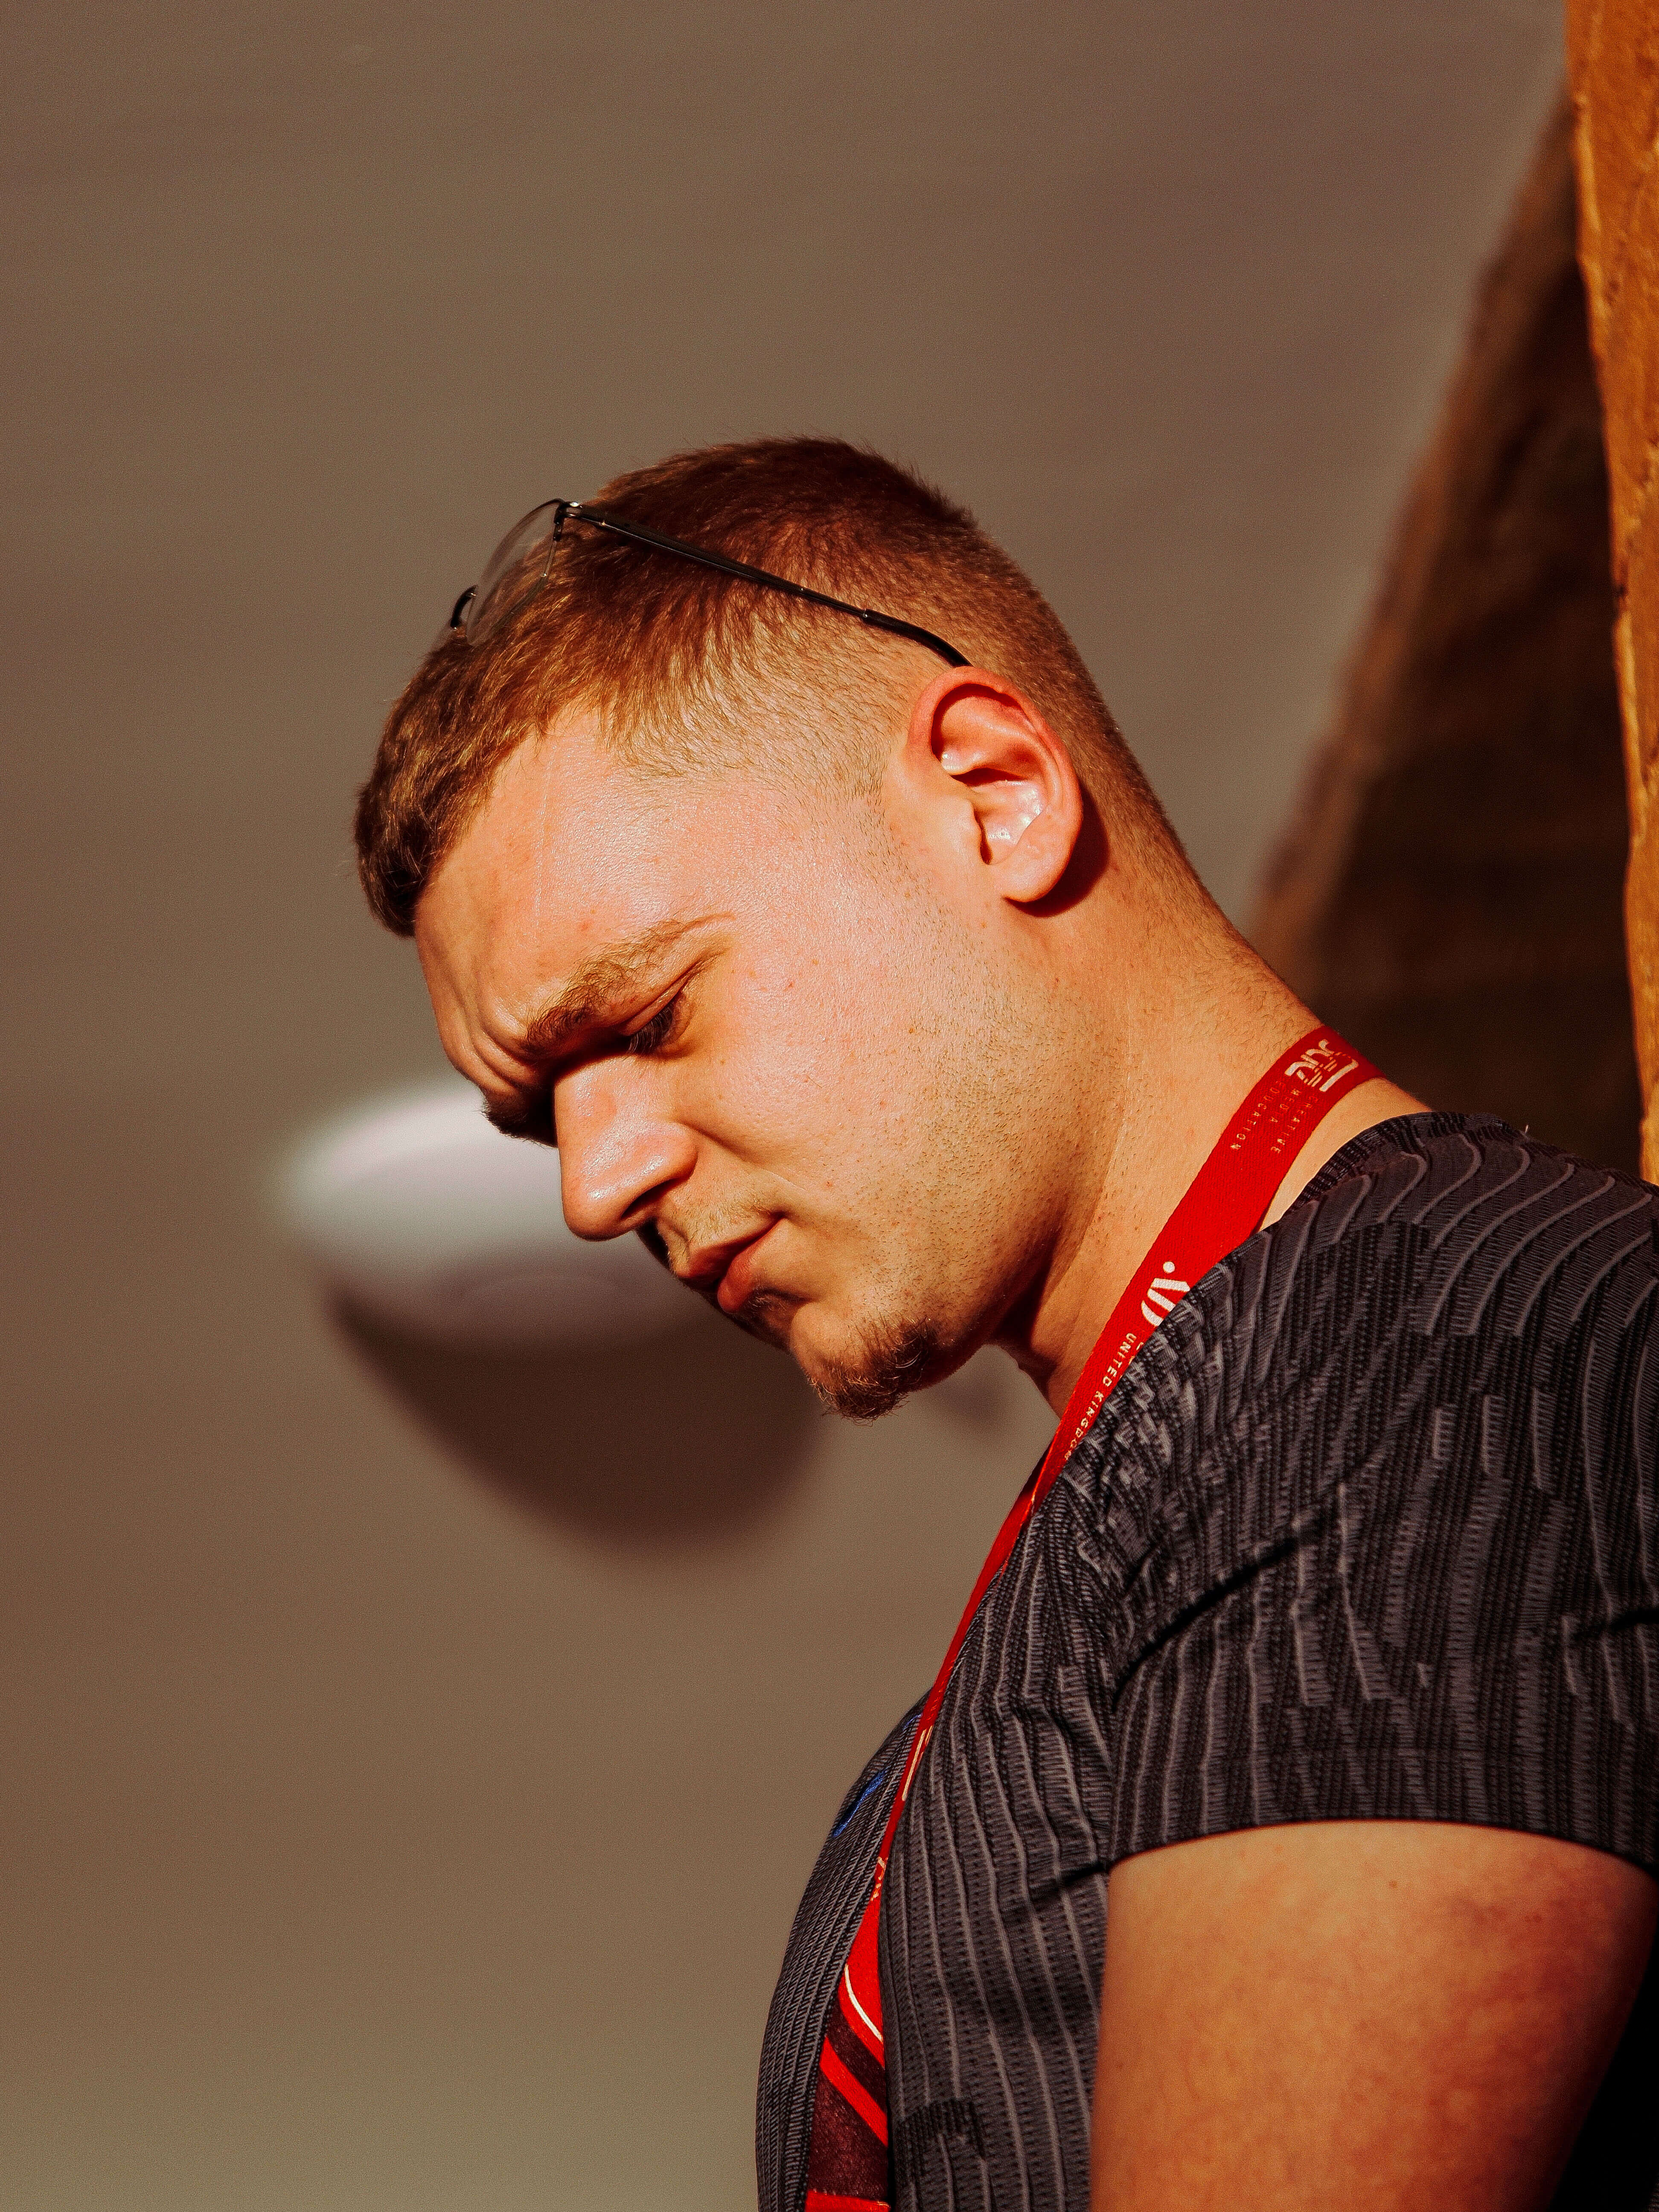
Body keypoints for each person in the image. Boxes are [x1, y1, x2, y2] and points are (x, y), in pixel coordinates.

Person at [354, 438, 1659, 2212]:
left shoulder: (1420, 1355)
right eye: (537, 1119)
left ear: (996, 795)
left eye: (645, 1020)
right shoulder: (1214, 1448)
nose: (594, 1190)